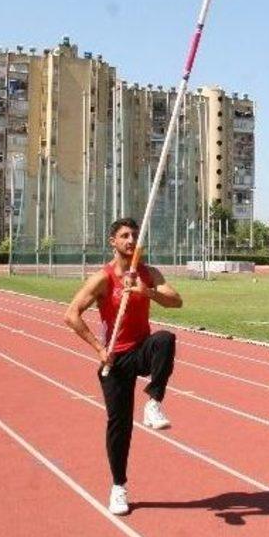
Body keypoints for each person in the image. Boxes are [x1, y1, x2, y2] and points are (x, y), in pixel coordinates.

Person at [64, 217, 183, 515]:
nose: (131, 240)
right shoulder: (103, 278)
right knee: (120, 427)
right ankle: (118, 487)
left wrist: (147, 292)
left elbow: (176, 301)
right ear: (113, 242)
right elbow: (71, 314)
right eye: (124, 236)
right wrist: (99, 348)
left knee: (166, 339)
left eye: (134, 235)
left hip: (142, 349)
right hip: (116, 359)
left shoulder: (148, 272)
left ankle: (154, 402)